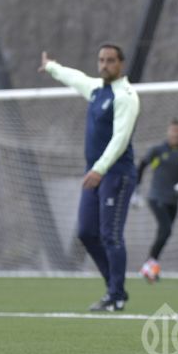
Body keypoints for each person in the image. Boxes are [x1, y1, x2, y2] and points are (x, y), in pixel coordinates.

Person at [39, 44, 140, 312]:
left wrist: (100, 168)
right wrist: (51, 67)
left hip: (116, 174)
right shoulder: (97, 90)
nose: (104, 65)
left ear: (121, 64)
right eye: (101, 60)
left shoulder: (126, 96)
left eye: (110, 61)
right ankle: (114, 288)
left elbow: (120, 139)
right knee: (86, 232)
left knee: (111, 235)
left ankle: (116, 295)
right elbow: (76, 78)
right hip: (95, 174)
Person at [135, 119, 178, 283]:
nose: (176, 134)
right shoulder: (157, 150)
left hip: (173, 200)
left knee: (165, 233)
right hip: (156, 197)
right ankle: (150, 265)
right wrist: (136, 190)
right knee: (166, 229)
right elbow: (141, 165)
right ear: (168, 131)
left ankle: (150, 267)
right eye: (173, 130)